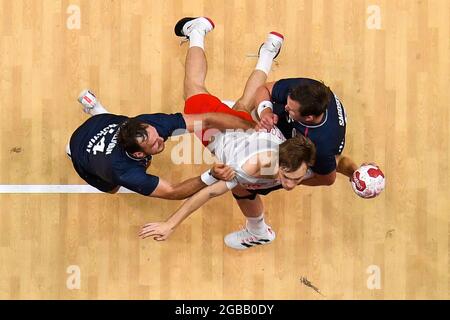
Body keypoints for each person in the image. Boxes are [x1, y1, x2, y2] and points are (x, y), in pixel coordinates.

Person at [138, 17, 316, 249]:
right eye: (290, 179)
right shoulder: (245, 169)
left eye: (297, 179)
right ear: (279, 163)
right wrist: (170, 224)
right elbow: (207, 193)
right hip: (219, 132)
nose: (292, 186)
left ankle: (268, 52)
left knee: (243, 105)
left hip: (247, 129)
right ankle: (196, 31)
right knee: (193, 89)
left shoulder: (296, 153)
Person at [67, 86, 255, 199]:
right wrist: (211, 175)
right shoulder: (124, 172)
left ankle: (98, 111)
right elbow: (173, 191)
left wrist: (252, 128)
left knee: (121, 123)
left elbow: (207, 120)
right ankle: (74, 143)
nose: (161, 139)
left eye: (157, 135)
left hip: (102, 123)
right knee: (112, 189)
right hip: (80, 149)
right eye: (155, 144)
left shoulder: (153, 125)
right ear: (139, 154)